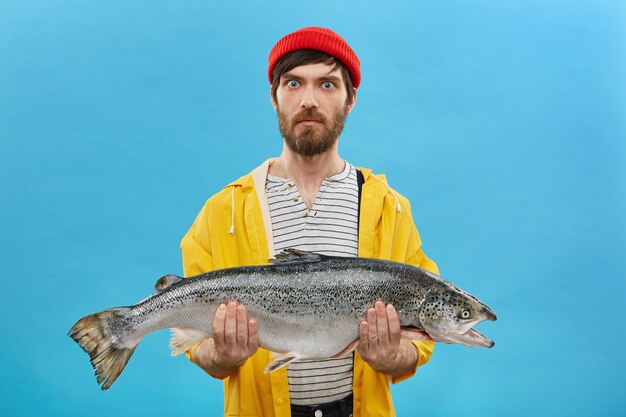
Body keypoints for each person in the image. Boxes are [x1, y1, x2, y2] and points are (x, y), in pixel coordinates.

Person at [180, 26, 439, 417]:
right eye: (294, 83)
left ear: (351, 100)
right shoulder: (223, 211)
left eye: (328, 85)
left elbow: (416, 345)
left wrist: (392, 355)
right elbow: (195, 346)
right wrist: (221, 355)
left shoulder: (391, 209)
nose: (309, 100)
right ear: (274, 96)